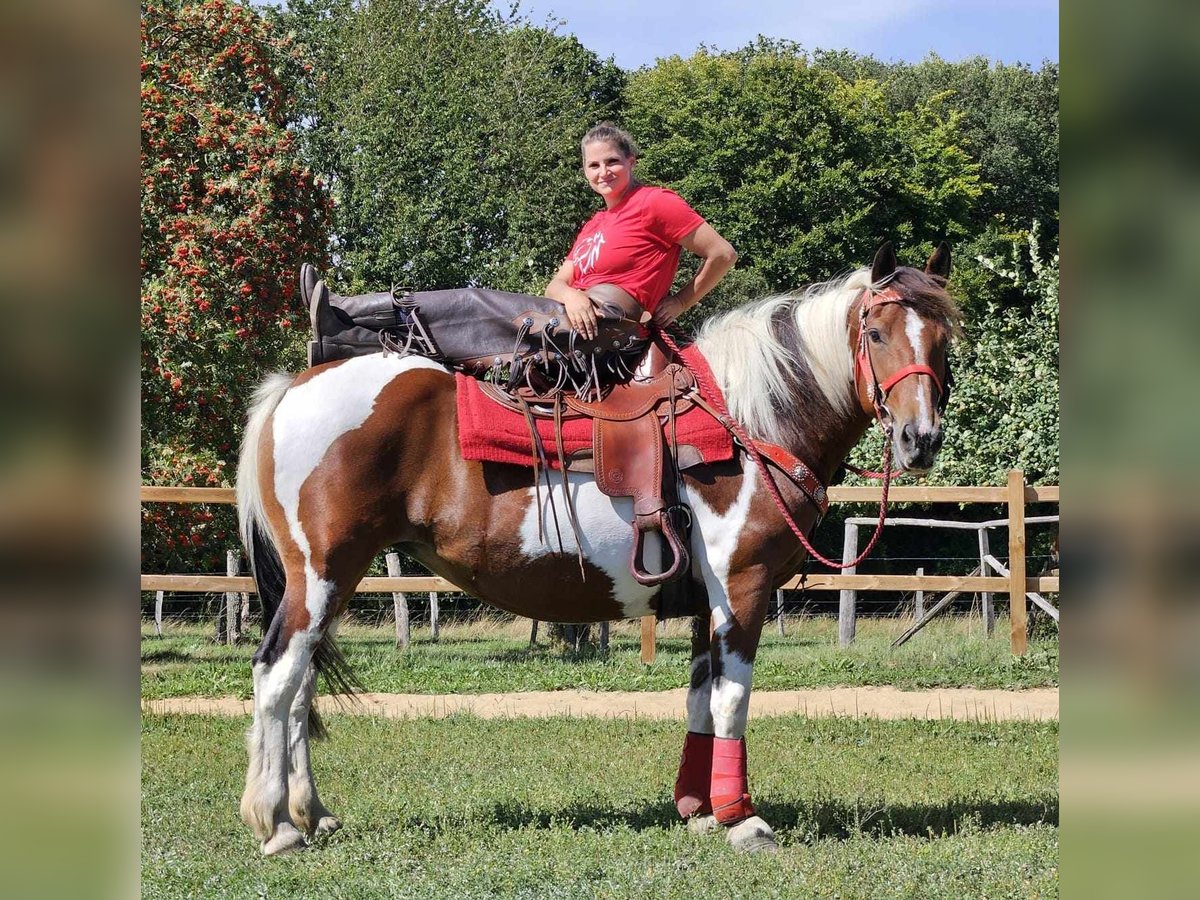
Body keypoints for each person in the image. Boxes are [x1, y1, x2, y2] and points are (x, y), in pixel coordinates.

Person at [305, 123, 737, 376]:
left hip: (608, 330)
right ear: (584, 171)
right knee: (469, 330)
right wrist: (571, 295)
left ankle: (348, 310)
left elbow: (721, 253)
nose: (603, 171)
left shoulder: (655, 203)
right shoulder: (594, 225)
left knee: (476, 304)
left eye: (612, 161)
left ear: (631, 162)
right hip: (574, 315)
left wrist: (680, 301)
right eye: (593, 164)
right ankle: (346, 335)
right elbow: (559, 282)